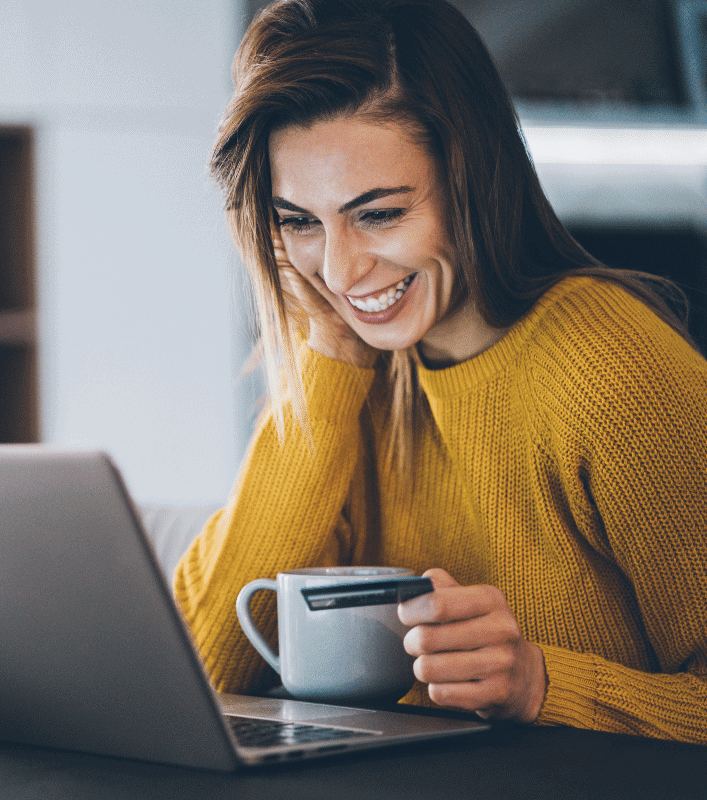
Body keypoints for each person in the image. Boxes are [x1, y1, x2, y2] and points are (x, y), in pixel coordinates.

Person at [174, 0, 707, 742]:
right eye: (299, 221)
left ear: (472, 179)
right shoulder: (353, 364)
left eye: (380, 213)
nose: (338, 267)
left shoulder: (610, 365)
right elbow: (200, 673)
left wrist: (539, 684)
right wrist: (328, 362)